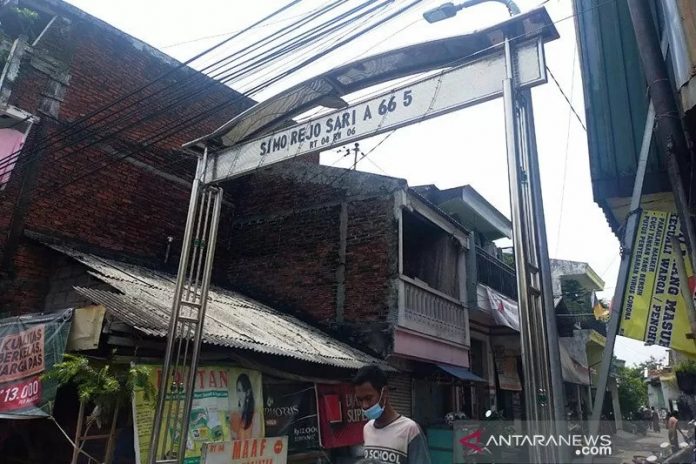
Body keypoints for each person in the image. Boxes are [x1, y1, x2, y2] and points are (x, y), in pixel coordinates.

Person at [353, 365, 432, 464]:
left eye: (368, 398)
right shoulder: (367, 429)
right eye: (360, 400)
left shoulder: (410, 430)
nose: (364, 405)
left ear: (384, 393)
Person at [231, 373, 261, 440]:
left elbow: (256, 438)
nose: (239, 394)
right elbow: (233, 437)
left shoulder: (255, 415)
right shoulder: (234, 414)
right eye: (238, 390)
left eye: (242, 390)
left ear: (248, 392)